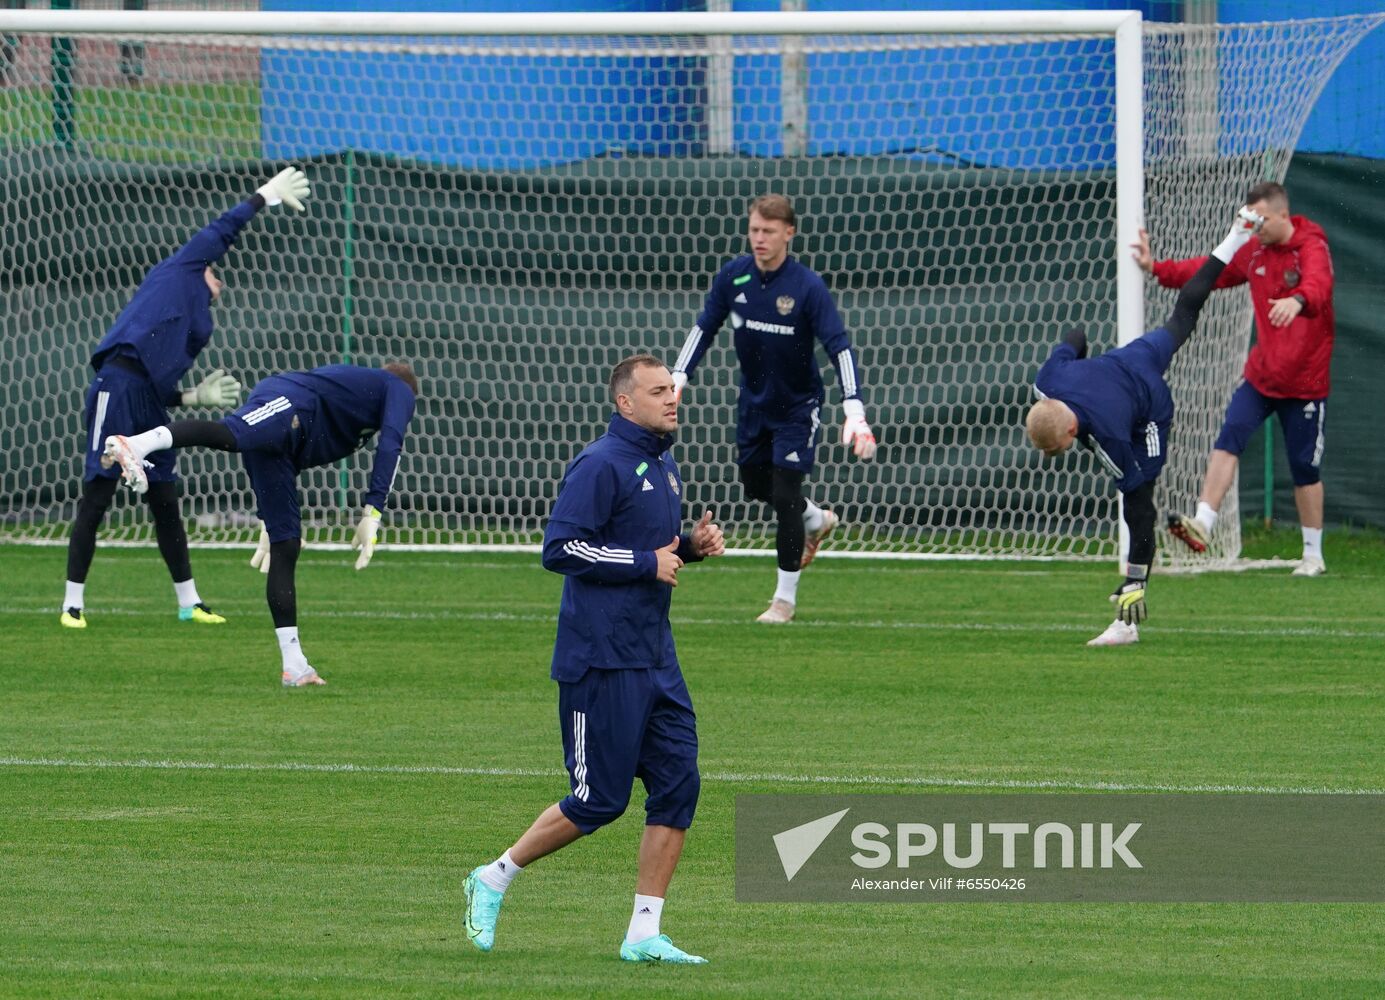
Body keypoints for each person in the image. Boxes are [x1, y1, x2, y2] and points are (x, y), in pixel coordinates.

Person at [461, 354, 724, 964]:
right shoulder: (600, 464)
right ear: (625, 403)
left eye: (673, 389)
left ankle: (643, 934)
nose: (672, 398)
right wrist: (646, 563)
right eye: (658, 391)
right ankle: (493, 876)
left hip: (655, 656)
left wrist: (689, 548)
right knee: (599, 802)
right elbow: (561, 548)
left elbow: (647, 549)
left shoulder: (663, 463)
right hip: (600, 660)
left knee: (679, 785)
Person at [60, 166, 311, 630]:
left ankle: (188, 602)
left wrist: (193, 396)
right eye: (214, 268)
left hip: (149, 402)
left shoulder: (201, 324)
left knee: (165, 501)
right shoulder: (182, 269)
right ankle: (72, 604)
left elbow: (157, 384)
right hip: (115, 387)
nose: (218, 275)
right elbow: (222, 229)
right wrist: (264, 196)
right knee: (98, 492)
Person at [1025, 207, 1263, 647]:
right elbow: (1075, 335)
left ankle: (1128, 617)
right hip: (1127, 359)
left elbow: (1141, 513)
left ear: (1071, 434)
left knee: (1140, 503)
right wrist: (1084, 368)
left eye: (1054, 449)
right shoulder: (1048, 380)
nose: (1050, 455)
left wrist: (1136, 575)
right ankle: (1235, 236)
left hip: (1148, 408)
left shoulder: (1109, 440)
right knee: (1182, 315)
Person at [99, 362, 418, 687]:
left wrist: (270, 517)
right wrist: (372, 512)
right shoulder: (397, 387)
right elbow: (391, 445)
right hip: (288, 398)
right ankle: (136, 444)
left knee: (287, 544)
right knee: (232, 434)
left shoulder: (355, 419)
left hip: (287, 443)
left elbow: (296, 450)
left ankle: (295, 666)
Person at [670, 193, 875, 624]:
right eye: (754, 230)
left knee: (784, 497)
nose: (759, 239)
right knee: (757, 487)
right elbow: (705, 327)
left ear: (788, 233)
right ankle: (816, 518)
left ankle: (784, 600)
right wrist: (678, 376)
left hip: (798, 408)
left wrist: (853, 407)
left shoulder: (806, 287)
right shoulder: (734, 278)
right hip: (753, 405)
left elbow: (838, 346)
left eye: (768, 231)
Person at [1133, 182, 1335, 576]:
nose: (1256, 227)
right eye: (1251, 220)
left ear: (1281, 215)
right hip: (1261, 378)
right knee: (1228, 440)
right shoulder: (1255, 252)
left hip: (1306, 384)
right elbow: (1208, 271)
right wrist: (1156, 268)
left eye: (1261, 220)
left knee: (1304, 469)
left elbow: (1319, 285)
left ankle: (1313, 554)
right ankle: (1203, 523)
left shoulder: (1311, 245)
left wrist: (1298, 301)